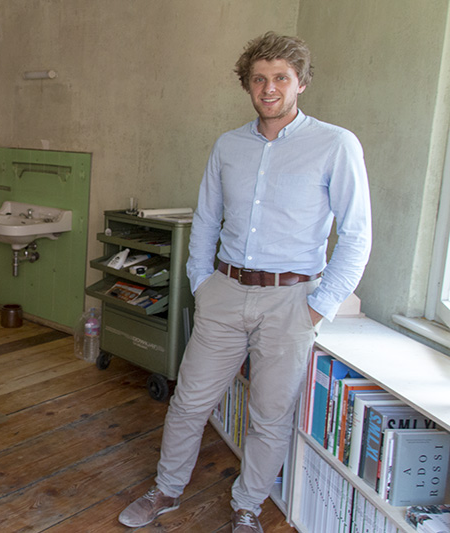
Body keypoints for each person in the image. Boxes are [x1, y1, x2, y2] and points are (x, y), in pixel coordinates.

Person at [118, 31, 372, 532]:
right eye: (259, 78)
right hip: (225, 293)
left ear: (300, 84)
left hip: (293, 300)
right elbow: (205, 221)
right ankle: (166, 491)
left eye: (281, 77)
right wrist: (201, 282)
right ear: (247, 85)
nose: (269, 87)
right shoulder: (228, 146)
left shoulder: (335, 144)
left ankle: (246, 509)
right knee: (189, 401)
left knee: (270, 417)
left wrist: (318, 306)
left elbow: (357, 234)